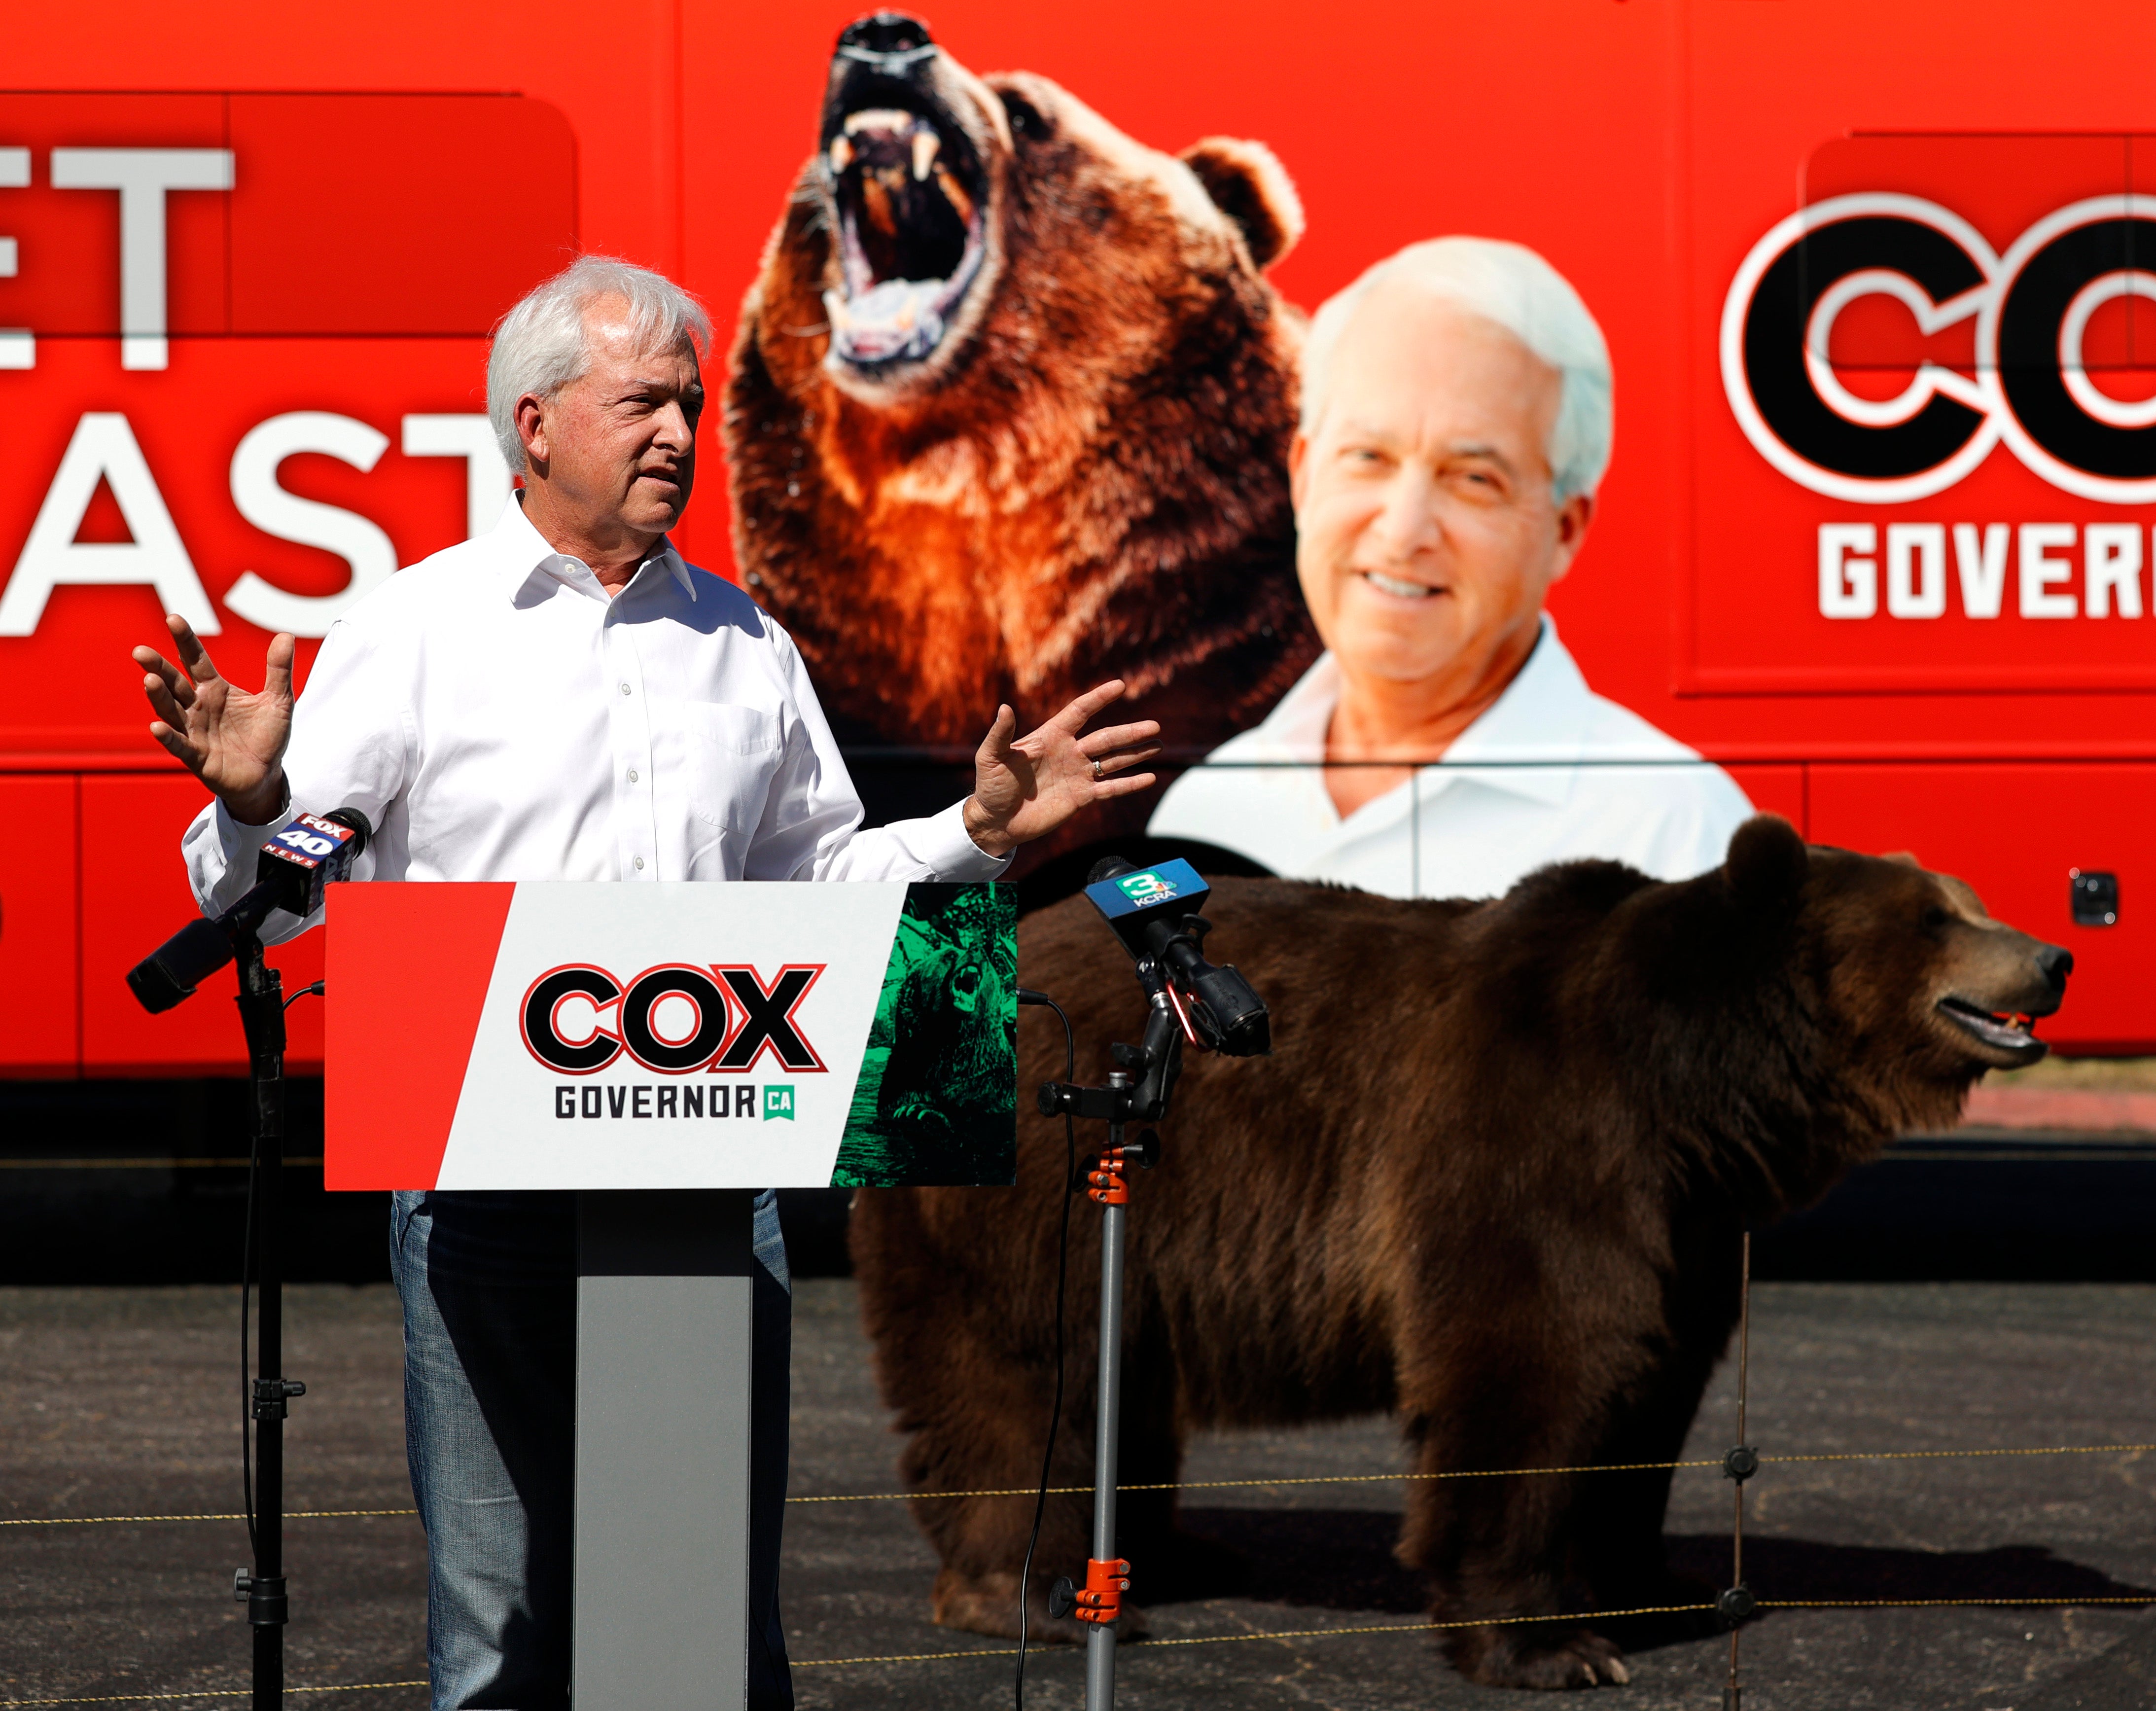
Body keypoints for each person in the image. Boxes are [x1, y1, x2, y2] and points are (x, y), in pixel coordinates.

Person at [128, 256, 1161, 1711]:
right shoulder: (418, 629)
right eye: (644, 402)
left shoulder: (742, 640)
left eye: (689, 400)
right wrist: (252, 799)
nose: (680, 430)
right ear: (535, 424)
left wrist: (973, 833)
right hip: (475, 1187)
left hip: (694, 1181)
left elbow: (819, 899)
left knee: (675, 1632)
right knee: (500, 1631)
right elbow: (266, 905)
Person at [1146, 236, 1749, 899]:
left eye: (1472, 479)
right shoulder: (1204, 814)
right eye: (1368, 457)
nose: (1403, 532)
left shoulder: (1675, 836)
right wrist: (1002, 865)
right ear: (1302, 477)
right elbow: (1023, 1004)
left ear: (1565, 530)